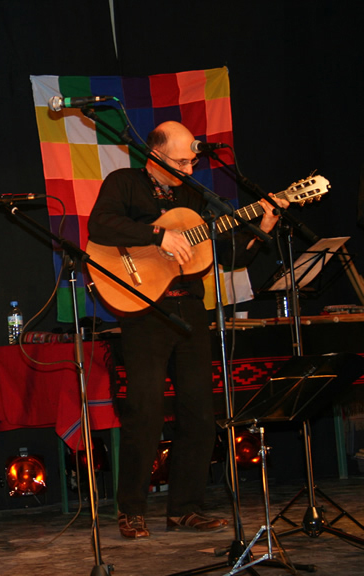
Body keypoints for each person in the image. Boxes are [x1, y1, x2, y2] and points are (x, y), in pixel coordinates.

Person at [87, 121, 288, 539]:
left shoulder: (195, 196)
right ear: (156, 155)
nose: (189, 168)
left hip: (190, 312)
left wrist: (262, 226)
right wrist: (156, 235)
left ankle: (185, 508)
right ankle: (132, 510)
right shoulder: (124, 182)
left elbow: (226, 255)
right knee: (144, 412)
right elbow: (100, 226)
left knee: (199, 413)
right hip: (145, 312)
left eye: (192, 160)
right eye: (181, 161)